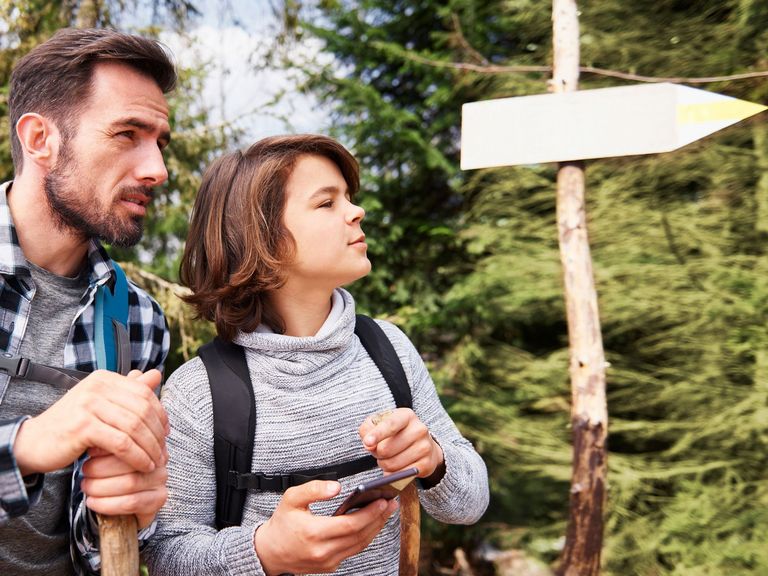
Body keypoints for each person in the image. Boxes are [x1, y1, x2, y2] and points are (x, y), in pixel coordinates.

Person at [145, 134, 489, 575]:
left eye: (348, 197)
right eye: (326, 203)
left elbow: (471, 502)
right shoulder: (198, 392)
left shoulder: (387, 348)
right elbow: (166, 554)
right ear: (260, 237)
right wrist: (263, 551)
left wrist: (433, 459)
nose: (356, 211)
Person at [0, 28, 175, 575]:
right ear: (40, 139)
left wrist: (135, 511)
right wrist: (28, 446)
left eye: (160, 142)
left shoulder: (137, 320)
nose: (157, 170)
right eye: (128, 134)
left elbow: (104, 543)